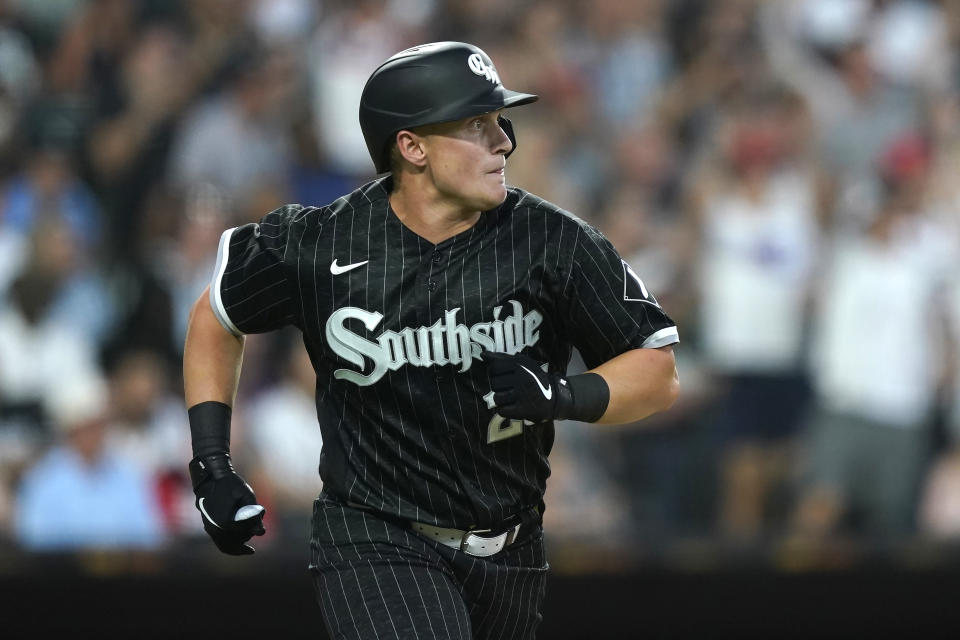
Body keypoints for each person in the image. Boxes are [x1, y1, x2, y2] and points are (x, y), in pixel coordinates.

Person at [182, 41, 679, 640]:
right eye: (476, 125)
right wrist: (212, 463)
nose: (504, 142)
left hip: (513, 543)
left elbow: (657, 369)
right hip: (374, 535)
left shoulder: (552, 241)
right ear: (411, 147)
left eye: (500, 121)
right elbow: (217, 316)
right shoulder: (321, 243)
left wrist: (563, 395)